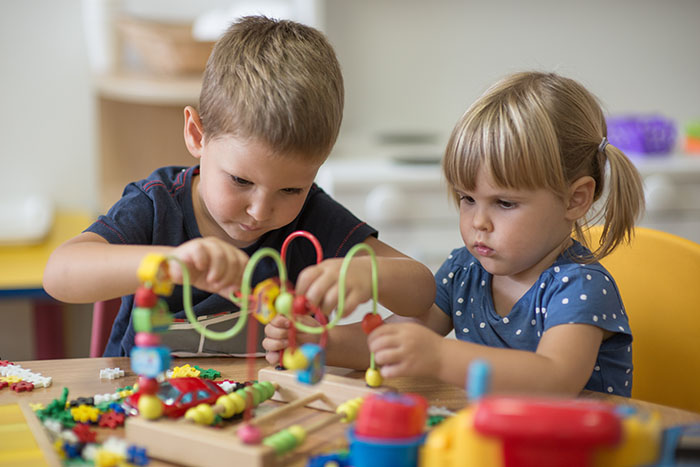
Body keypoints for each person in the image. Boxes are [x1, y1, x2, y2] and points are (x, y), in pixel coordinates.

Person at [43, 16, 435, 357]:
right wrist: (171, 264)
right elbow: (59, 273)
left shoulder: (312, 218)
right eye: (241, 181)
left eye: (291, 190)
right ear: (197, 135)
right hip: (141, 407)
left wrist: (367, 276)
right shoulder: (156, 205)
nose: (261, 211)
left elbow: (422, 291)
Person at [266, 71, 644, 397]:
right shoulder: (466, 270)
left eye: (504, 203)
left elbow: (554, 379)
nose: (478, 222)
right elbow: (391, 340)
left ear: (575, 200)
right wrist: (319, 342)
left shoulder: (580, 286)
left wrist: (439, 356)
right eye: (467, 198)